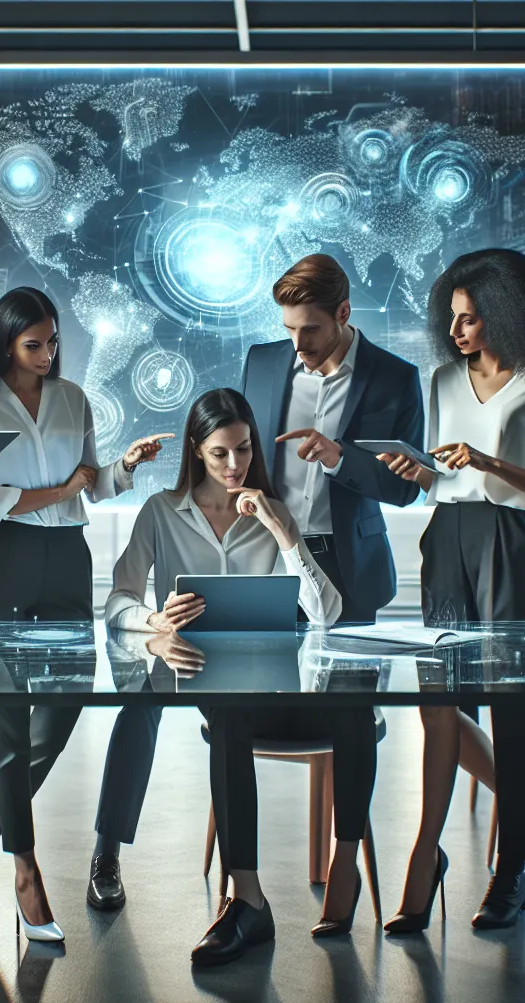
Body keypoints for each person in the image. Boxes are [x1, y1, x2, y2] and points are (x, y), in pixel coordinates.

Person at [103, 388, 373, 967]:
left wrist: (285, 533)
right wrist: (155, 620)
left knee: (355, 698)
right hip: (206, 679)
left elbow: (326, 615)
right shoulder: (161, 513)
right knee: (226, 712)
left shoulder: (272, 512)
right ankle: (247, 899)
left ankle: (343, 858)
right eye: (221, 453)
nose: (234, 466)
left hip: (279, 677)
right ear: (198, 452)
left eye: (244, 451)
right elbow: (118, 601)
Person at [376, 248, 525, 932]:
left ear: (505, 314)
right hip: (446, 538)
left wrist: (489, 460)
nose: (457, 331)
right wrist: (416, 474)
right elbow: (442, 476)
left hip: (507, 540)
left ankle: (512, 871)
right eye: (453, 318)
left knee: (510, 704)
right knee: (439, 701)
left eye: (470, 319)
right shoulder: (442, 380)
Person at [0, 286, 170, 943]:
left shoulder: (74, 400)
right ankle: (25, 868)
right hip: (6, 562)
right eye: (33, 344)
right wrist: (64, 488)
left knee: (69, 699)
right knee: (8, 720)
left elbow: (91, 487)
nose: (47, 354)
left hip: (68, 558)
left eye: (53, 342)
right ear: (7, 342)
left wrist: (122, 469)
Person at [240, 253, 426, 624]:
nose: (297, 344)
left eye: (309, 329)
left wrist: (339, 458)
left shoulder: (395, 378)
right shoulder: (260, 365)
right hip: (265, 559)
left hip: (350, 567)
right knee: (261, 680)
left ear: (343, 313)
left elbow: (406, 490)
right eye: (289, 329)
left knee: (350, 682)